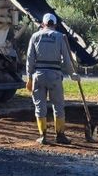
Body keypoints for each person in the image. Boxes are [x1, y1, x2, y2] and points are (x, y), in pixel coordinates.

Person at [26, 13, 80, 145]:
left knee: (40, 106)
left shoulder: (35, 36)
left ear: (43, 24)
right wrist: (72, 74)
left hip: (39, 75)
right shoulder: (60, 37)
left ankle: (43, 136)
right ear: (55, 24)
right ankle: (60, 135)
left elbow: (30, 59)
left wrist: (29, 77)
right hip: (55, 76)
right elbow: (67, 59)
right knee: (58, 105)